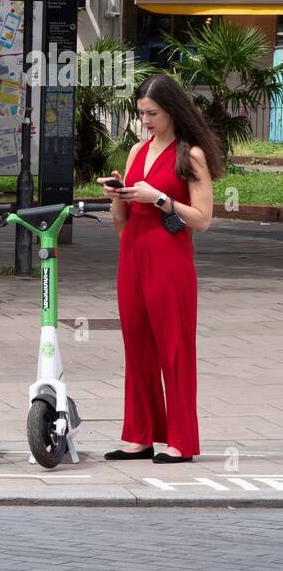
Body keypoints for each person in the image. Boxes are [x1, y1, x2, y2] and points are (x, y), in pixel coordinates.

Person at [98, 73, 221, 465]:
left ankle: (181, 440)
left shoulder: (192, 155)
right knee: (137, 347)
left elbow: (202, 219)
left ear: (171, 110)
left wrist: (162, 199)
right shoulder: (137, 151)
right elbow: (123, 218)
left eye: (152, 113)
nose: (145, 120)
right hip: (132, 252)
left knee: (175, 348)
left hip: (170, 257)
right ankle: (140, 436)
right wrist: (117, 194)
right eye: (141, 113)